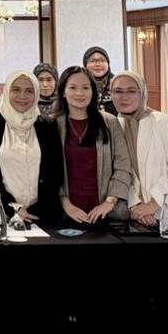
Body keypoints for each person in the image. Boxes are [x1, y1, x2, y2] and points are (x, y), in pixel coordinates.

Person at [110, 71, 168, 226]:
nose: (124, 97)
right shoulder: (114, 126)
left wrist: (154, 204)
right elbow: (122, 172)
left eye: (131, 91)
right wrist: (136, 205)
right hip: (139, 215)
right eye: (118, 91)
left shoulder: (164, 122)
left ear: (142, 93)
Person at [0, 70, 63, 224]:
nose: (22, 96)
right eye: (16, 90)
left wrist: (31, 211)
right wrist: (13, 208)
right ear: (7, 91)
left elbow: (55, 171)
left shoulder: (47, 125)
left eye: (29, 91)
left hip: (39, 214)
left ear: (36, 94)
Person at [54, 66, 133, 224]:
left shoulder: (110, 122)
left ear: (93, 91)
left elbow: (123, 165)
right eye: (73, 88)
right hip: (65, 214)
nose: (79, 93)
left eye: (85, 88)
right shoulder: (52, 124)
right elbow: (48, 172)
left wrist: (109, 202)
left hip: (105, 213)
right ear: (63, 91)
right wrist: (66, 204)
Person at [83, 46, 117, 115]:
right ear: (85, 64)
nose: (98, 64)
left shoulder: (117, 84)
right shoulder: (78, 84)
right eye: (93, 61)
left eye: (102, 61)